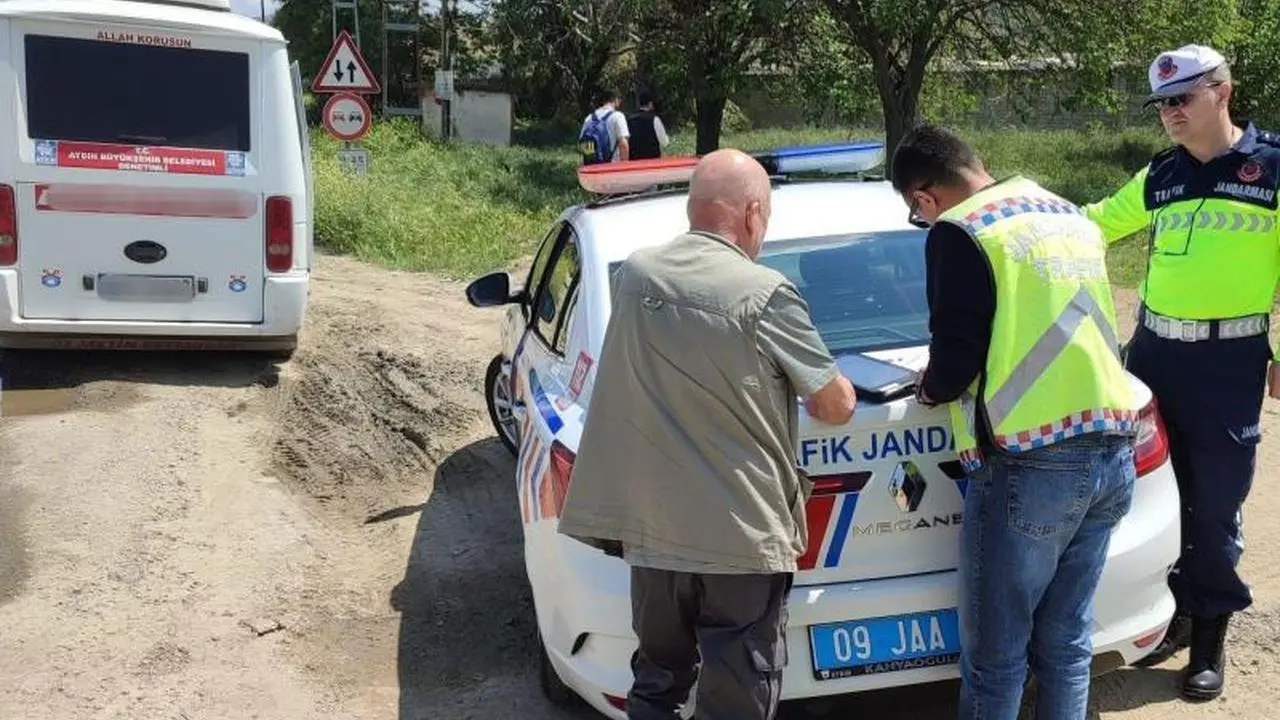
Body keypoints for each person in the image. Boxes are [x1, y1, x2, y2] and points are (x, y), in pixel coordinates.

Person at [556, 148, 857, 720]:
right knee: (737, 696)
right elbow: (835, 404)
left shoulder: (636, 276)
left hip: (656, 535)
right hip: (740, 540)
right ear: (752, 213)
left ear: (693, 209)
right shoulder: (765, 293)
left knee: (657, 682)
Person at [892, 124, 1140, 719]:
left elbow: (956, 357)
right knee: (1068, 643)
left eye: (918, 214)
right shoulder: (1066, 213)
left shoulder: (962, 230)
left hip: (1030, 462)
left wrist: (929, 388)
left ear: (925, 197)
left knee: (997, 659)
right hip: (1112, 449)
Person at [1081, 44, 1280, 701]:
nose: (1169, 112)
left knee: (1213, 501)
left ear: (1222, 92)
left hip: (1228, 362)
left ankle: (1209, 636)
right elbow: (1096, 225)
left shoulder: (1270, 168)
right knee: (1148, 491)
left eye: (1181, 98)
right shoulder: (1161, 174)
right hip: (1154, 354)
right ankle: (1172, 614)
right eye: (1161, 103)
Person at [578, 88, 630, 164]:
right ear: (616, 99)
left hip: (592, 167)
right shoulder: (618, 116)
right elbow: (623, 144)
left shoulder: (589, 118)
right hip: (612, 166)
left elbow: (582, 143)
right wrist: (625, 165)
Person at [625, 91, 670, 160]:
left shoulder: (629, 120)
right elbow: (665, 143)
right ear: (650, 103)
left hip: (634, 161)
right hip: (652, 161)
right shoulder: (654, 119)